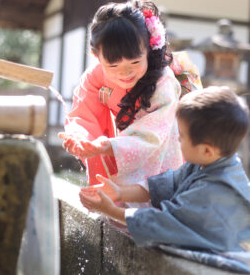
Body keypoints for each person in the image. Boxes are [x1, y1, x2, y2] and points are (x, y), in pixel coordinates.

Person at [79, 86, 250, 252]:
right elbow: (164, 185)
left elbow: (165, 223)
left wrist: (111, 210)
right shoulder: (207, 163)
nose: (177, 140)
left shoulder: (215, 190)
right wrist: (119, 192)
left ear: (206, 150)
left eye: (182, 136)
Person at [58, 0, 201, 188]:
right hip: (120, 144)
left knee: (158, 195)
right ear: (96, 56)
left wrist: (110, 146)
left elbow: (152, 134)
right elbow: (83, 115)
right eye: (113, 65)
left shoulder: (162, 81)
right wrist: (79, 139)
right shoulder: (95, 76)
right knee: (113, 193)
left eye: (134, 62)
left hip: (164, 146)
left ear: (148, 49)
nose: (125, 73)